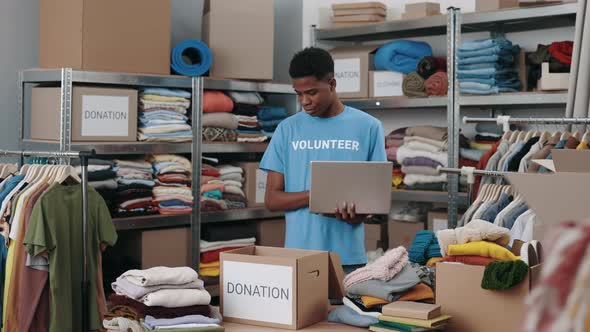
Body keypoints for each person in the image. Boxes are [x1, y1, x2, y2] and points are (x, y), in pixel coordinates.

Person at [260, 47, 387, 273]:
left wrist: (356, 216)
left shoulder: (368, 126)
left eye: (311, 92)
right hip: (298, 258)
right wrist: (319, 196)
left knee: (347, 310)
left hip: (348, 260)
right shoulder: (287, 129)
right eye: (298, 94)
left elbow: (376, 201)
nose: (305, 101)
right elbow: (272, 199)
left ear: (332, 84)